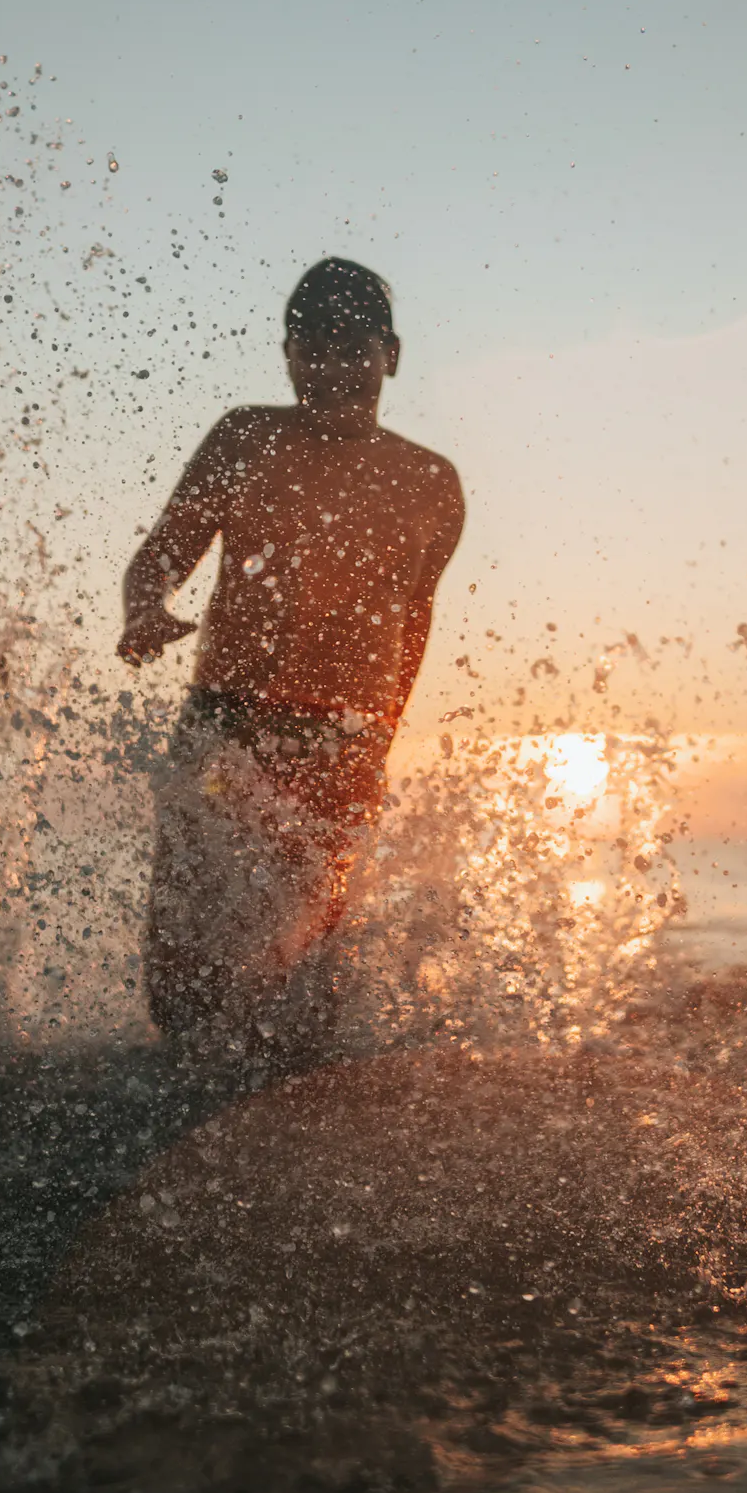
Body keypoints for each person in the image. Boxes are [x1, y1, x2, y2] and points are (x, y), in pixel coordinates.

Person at [119, 259, 465, 1047]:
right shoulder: (245, 437)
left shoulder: (432, 483)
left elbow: (413, 626)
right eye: (313, 348)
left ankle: (291, 1124)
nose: (333, 368)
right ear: (286, 353)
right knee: (181, 977)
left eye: (353, 350)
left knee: (309, 981)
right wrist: (146, 610)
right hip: (224, 732)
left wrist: (381, 739)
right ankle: (182, 1112)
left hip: (341, 745)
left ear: (392, 354)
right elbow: (161, 556)